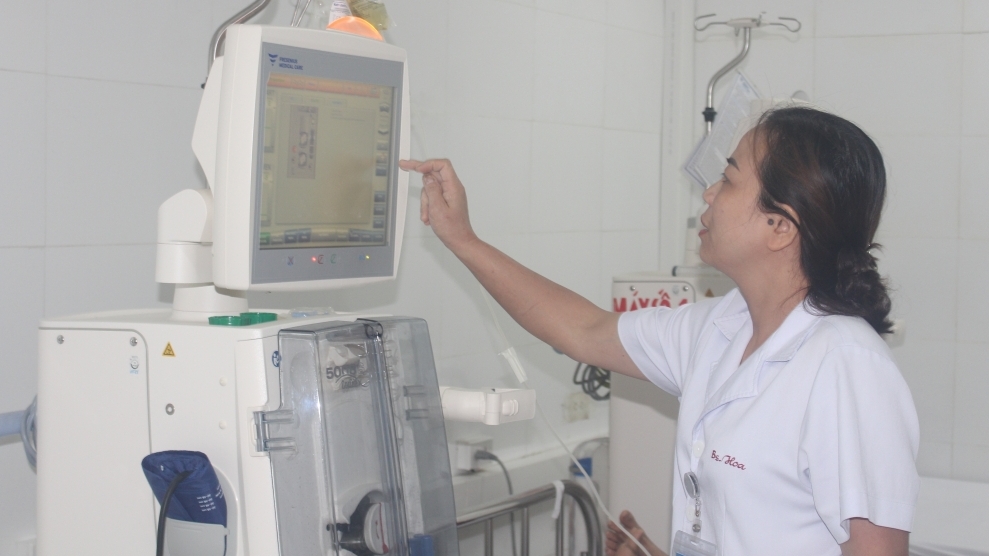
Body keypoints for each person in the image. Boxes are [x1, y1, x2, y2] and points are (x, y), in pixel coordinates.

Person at [399, 106, 919, 556]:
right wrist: (463, 239)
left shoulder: (846, 366)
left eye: (729, 179)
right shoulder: (720, 328)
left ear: (780, 226)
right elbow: (584, 330)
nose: (709, 193)